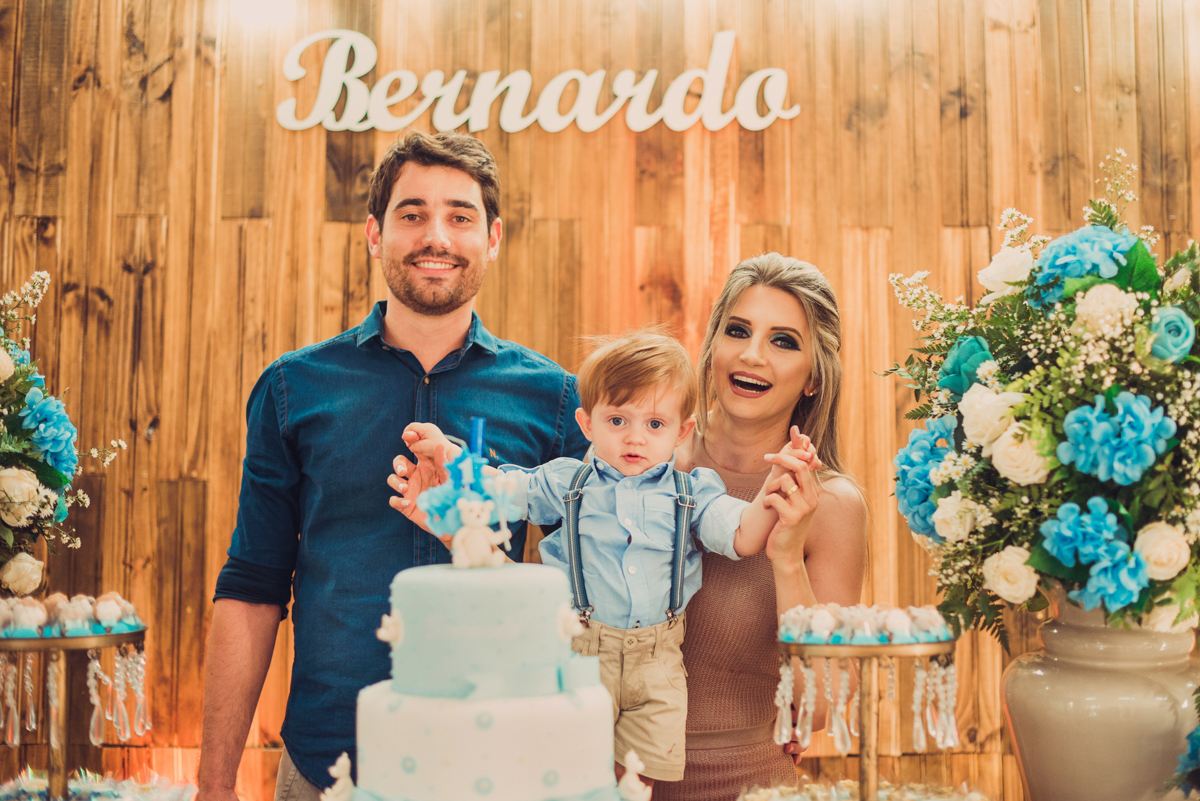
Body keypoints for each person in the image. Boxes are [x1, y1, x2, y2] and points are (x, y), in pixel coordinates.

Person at [197, 131, 590, 801]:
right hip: (327, 764)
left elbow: (579, 595)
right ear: (375, 234)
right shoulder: (294, 388)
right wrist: (213, 784)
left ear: (493, 237)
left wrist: (472, 533)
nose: (436, 236)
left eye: (460, 216)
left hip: (499, 763)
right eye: (413, 214)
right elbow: (254, 585)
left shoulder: (554, 400)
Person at [392, 330, 821, 786]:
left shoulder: (692, 493)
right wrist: (449, 456)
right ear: (587, 424)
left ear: (682, 431)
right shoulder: (566, 482)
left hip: (658, 664)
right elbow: (498, 489)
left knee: (638, 782)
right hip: (580, 652)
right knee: (578, 776)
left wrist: (776, 482)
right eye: (617, 420)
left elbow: (744, 536)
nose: (635, 438)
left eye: (654, 424)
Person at [654, 253, 868, 800]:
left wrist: (786, 558)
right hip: (609, 775)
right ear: (712, 348)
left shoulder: (832, 505)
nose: (752, 355)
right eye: (738, 330)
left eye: (784, 341)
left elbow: (819, 707)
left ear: (814, 377)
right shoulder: (643, 454)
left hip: (748, 784)